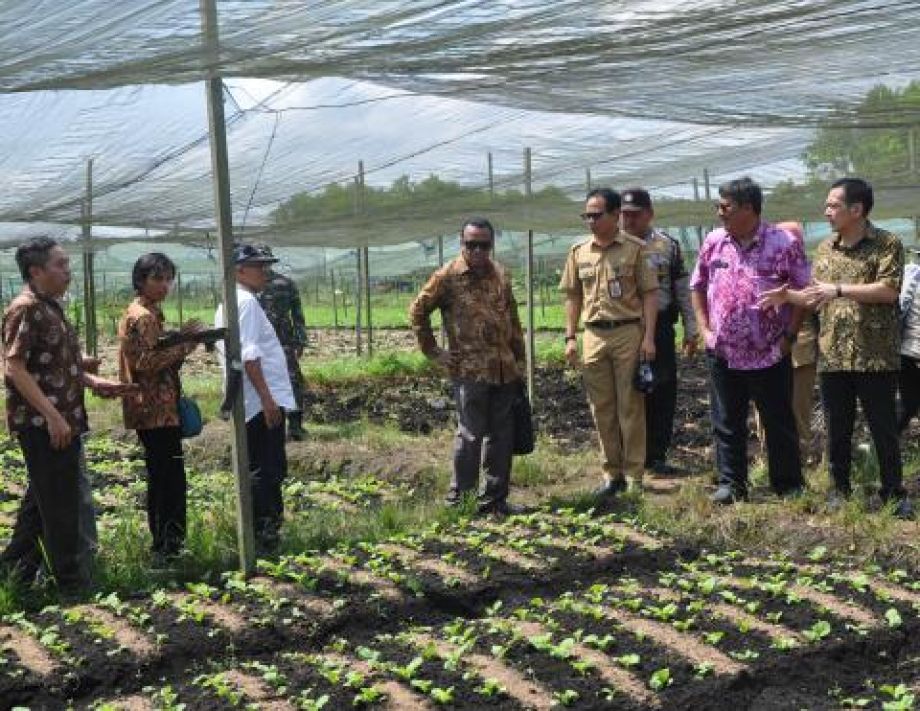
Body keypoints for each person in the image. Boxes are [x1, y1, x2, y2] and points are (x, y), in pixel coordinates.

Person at [759, 178, 912, 518]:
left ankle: (893, 493)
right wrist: (788, 296)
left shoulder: (887, 243)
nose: (826, 211)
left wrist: (839, 289)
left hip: (875, 357)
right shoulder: (826, 248)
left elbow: (888, 290)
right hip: (833, 356)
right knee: (837, 429)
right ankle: (838, 490)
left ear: (856, 210)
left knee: (883, 428)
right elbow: (816, 295)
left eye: (832, 205)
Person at [0, 237, 133, 595]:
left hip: (62, 421)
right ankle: (72, 586)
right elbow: (14, 367)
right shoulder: (25, 308)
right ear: (36, 271)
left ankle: (15, 576)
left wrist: (93, 381)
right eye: (60, 264)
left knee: (40, 504)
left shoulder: (50, 307)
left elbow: (56, 365)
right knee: (61, 507)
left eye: (67, 264)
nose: (67, 271)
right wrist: (54, 417)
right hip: (45, 425)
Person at [690, 177, 807, 504]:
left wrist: (790, 336)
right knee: (726, 421)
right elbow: (697, 286)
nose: (719, 212)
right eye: (719, 206)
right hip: (723, 351)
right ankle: (731, 484)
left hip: (770, 351)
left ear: (749, 209)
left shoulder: (783, 242)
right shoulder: (714, 241)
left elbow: (803, 291)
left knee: (778, 420)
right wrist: (704, 329)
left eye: (725, 207)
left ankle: (788, 484)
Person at [408, 217, 526, 515]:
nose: (477, 250)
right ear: (461, 244)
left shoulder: (500, 273)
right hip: (469, 369)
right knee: (470, 434)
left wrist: (519, 359)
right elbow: (418, 310)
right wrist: (433, 351)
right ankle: (461, 500)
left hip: (503, 368)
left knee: (502, 435)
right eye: (470, 244)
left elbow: (512, 319)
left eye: (483, 245)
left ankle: (495, 500)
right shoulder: (448, 275)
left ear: (491, 245)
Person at [560, 188, 659, 497]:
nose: (590, 220)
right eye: (586, 215)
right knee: (601, 407)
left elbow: (650, 294)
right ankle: (611, 472)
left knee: (630, 405)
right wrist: (570, 336)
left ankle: (634, 474)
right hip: (593, 335)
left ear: (615, 215)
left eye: (596, 214)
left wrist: (649, 337)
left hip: (627, 333)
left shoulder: (635, 249)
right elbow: (573, 295)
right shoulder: (579, 252)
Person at [118, 253, 204, 561]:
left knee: (162, 475)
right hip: (155, 409)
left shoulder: (146, 312)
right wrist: (187, 344)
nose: (165, 285)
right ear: (141, 280)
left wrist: (179, 339)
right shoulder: (143, 316)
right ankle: (169, 545)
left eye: (168, 279)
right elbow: (146, 362)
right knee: (168, 478)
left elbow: (153, 353)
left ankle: (165, 543)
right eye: (158, 278)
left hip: (153, 408)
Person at [215, 244, 295, 553]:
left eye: (265, 265)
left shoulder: (236, 301)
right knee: (267, 467)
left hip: (252, 401)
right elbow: (249, 356)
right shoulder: (245, 302)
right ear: (239, 270)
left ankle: (260, 532)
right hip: (259, 402)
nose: (265, 271)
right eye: (258, 266)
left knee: (261, 465)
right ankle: (266, 534)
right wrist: (268, 399)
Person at [620, 187, 698, 475]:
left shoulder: (667, 245)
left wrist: (691, 330)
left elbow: (682, 289)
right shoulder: (613, 246)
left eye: (635, 215)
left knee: (662, 390)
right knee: (628, 392)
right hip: (626, 328)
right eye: (624, 215)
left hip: (662, 326)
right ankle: (630, 456)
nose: (628, 221)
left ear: (649, 214)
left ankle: (656, 455)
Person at [753, 222, 820, 464]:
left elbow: (817, 307)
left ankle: (801, 457)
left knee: (799, 406)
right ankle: (768, 456)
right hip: (766, 348)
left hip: (801, 346)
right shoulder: (761, 268)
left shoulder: (812, 272)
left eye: (796, 240)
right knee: (765, 405)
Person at [256, 246, 308, 441]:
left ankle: (295, 425)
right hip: (258, 344)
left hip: (283, 341)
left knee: (293, 380)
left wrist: (300, 339)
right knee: (263, 380)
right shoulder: (247, 288)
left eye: (265, 261)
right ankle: (269, 424)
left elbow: (298, 314)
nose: (264, 266)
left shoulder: (285, 284)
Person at [898, 245, 920, 433]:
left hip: (909, 352)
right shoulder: (911, 276)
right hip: (910, 352)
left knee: (908, 408)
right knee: (908, 408)